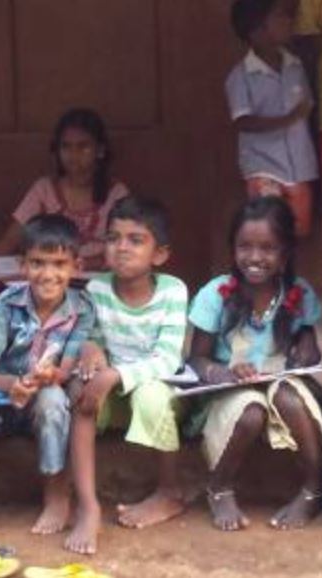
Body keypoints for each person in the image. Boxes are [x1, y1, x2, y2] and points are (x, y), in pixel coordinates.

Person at [0, 214, 95, 541]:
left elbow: (66, 368)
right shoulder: (7, 303)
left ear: (77, 266)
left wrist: (50, 375)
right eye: (38, 263)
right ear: (22, 265)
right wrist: (11, 385)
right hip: (2, 392)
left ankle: (56, 494)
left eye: (59, 264)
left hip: (44, 391)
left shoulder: (83, 308)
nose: (48, 274)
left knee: (53, 401)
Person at [188, 196, 322, 532]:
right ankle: (220, 487)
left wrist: (306, 350)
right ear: (233, 249)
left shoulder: (297, 294)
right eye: (245, 246)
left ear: (285, 253)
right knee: (252, 411)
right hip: (232, 391)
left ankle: (315, 487)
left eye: (267, 248)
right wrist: (222, 373)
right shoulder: (216, 294)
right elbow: (196, 358)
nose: (254, 257)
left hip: (281, 386)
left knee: (286, 397)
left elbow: (310, 349)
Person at [65, 196, 189, 555]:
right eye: (113, 238)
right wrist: (91, 349)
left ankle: (168, 492)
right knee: (80, 391)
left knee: (150, 394)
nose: (122, 248)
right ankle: (88, 505)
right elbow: (92, 338)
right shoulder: (97, 289)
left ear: (159, 254)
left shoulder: (173, 290)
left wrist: (114, 374)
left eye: (136, 240)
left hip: (162, 395)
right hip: (115, 394)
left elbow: (168, 360)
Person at [0, 108, 129, 269]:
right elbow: (10, 240)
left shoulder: (117, 194)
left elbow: (125, 250)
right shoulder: (44, 190)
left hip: (101, 279)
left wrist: (78, 266)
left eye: (83, 146)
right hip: (49, 278)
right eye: (66, 146)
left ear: (100, 151)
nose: (73, 154)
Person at [227, 0, 319, 237]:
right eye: (279, 17)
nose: (289, 22)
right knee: (269, 230)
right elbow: (242, 121)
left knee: (298, 232)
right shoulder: (241, 76)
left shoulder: (295, 66)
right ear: (257, 30)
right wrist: (287, 119)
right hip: (265, 168)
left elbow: (307, 105)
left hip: (300, 167)